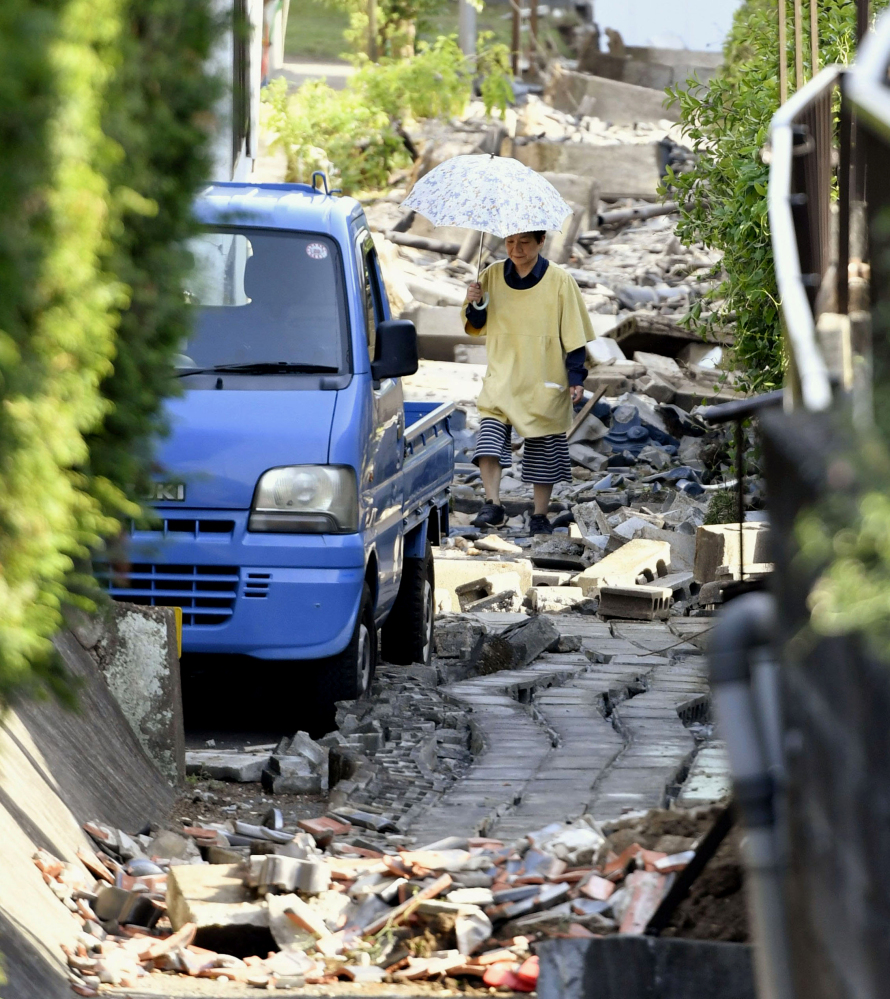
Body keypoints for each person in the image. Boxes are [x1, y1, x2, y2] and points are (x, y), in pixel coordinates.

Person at [464, 230, 595, 535]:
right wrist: (476, 303)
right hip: (503, 375)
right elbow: (476, 324)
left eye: (524, 242)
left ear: (540, 243)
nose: (516, 248)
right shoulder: (490, 275)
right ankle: (493, 505)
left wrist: (576, 377)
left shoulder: (560, 280)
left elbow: (574, 335)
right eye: (510, 242)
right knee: (488, 441)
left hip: (544, 375)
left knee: (544, 449)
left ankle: (539, 515)